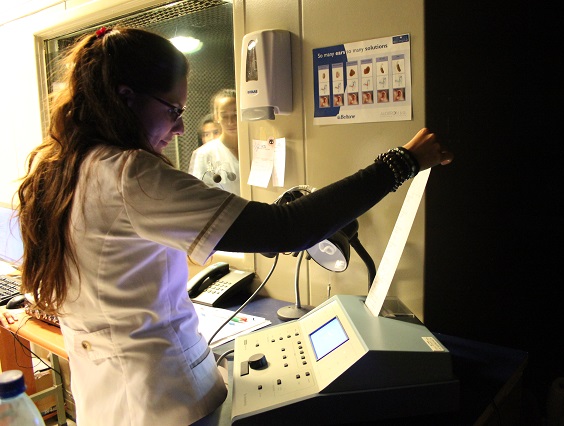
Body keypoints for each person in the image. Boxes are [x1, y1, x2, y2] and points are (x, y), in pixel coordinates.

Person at [9, 27, 452, 426]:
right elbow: (286, 228)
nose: (181, 126)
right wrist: (403, 162)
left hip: (105, 397)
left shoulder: (61, 168)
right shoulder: (129, 175)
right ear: (126, 97)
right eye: (173, 109)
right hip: (161, 399)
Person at [189, 89, 239, 194]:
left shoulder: (256, 149)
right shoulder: (204, 154)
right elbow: (197, 194)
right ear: (216, 117)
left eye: (235, 114)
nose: (230, 122)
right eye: (224, 116)